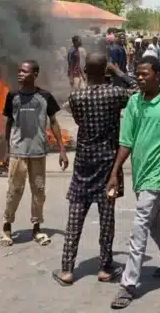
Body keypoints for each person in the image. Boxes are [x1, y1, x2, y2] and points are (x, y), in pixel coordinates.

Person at [52, 55, 138, 286]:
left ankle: (67, 269)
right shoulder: (115, 94)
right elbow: (137, 90)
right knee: (106, 217)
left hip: (84, 161)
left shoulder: (76, 96)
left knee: (75, 214)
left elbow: (79, 121)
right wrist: (119, 72)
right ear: (104, 70)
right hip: (109, 162)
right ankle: (105, 267)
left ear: (86, 71)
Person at [107, 56, 160, 310]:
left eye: (144, 74)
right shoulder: (133, 103)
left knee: (140, 223)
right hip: (139, 172)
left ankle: (128, 285)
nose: (139, 78)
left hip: (158, 174)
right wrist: (115, 172)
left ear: (157, 76)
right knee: (154, 222)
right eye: (137, 74)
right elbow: (126, 141)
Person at [0, 60, 69, 247]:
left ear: (35, 74)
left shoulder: (45, 97)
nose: (20, 74)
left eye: (24, 71)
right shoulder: (12, 96)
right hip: (17, 152)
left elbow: (53, 122)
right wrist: (6, 150)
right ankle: (7, 226)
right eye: (19, 71)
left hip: (38, 153)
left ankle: (37, 227)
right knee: (14, 190)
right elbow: (8, 123)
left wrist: (62, 150)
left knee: (38, 191)